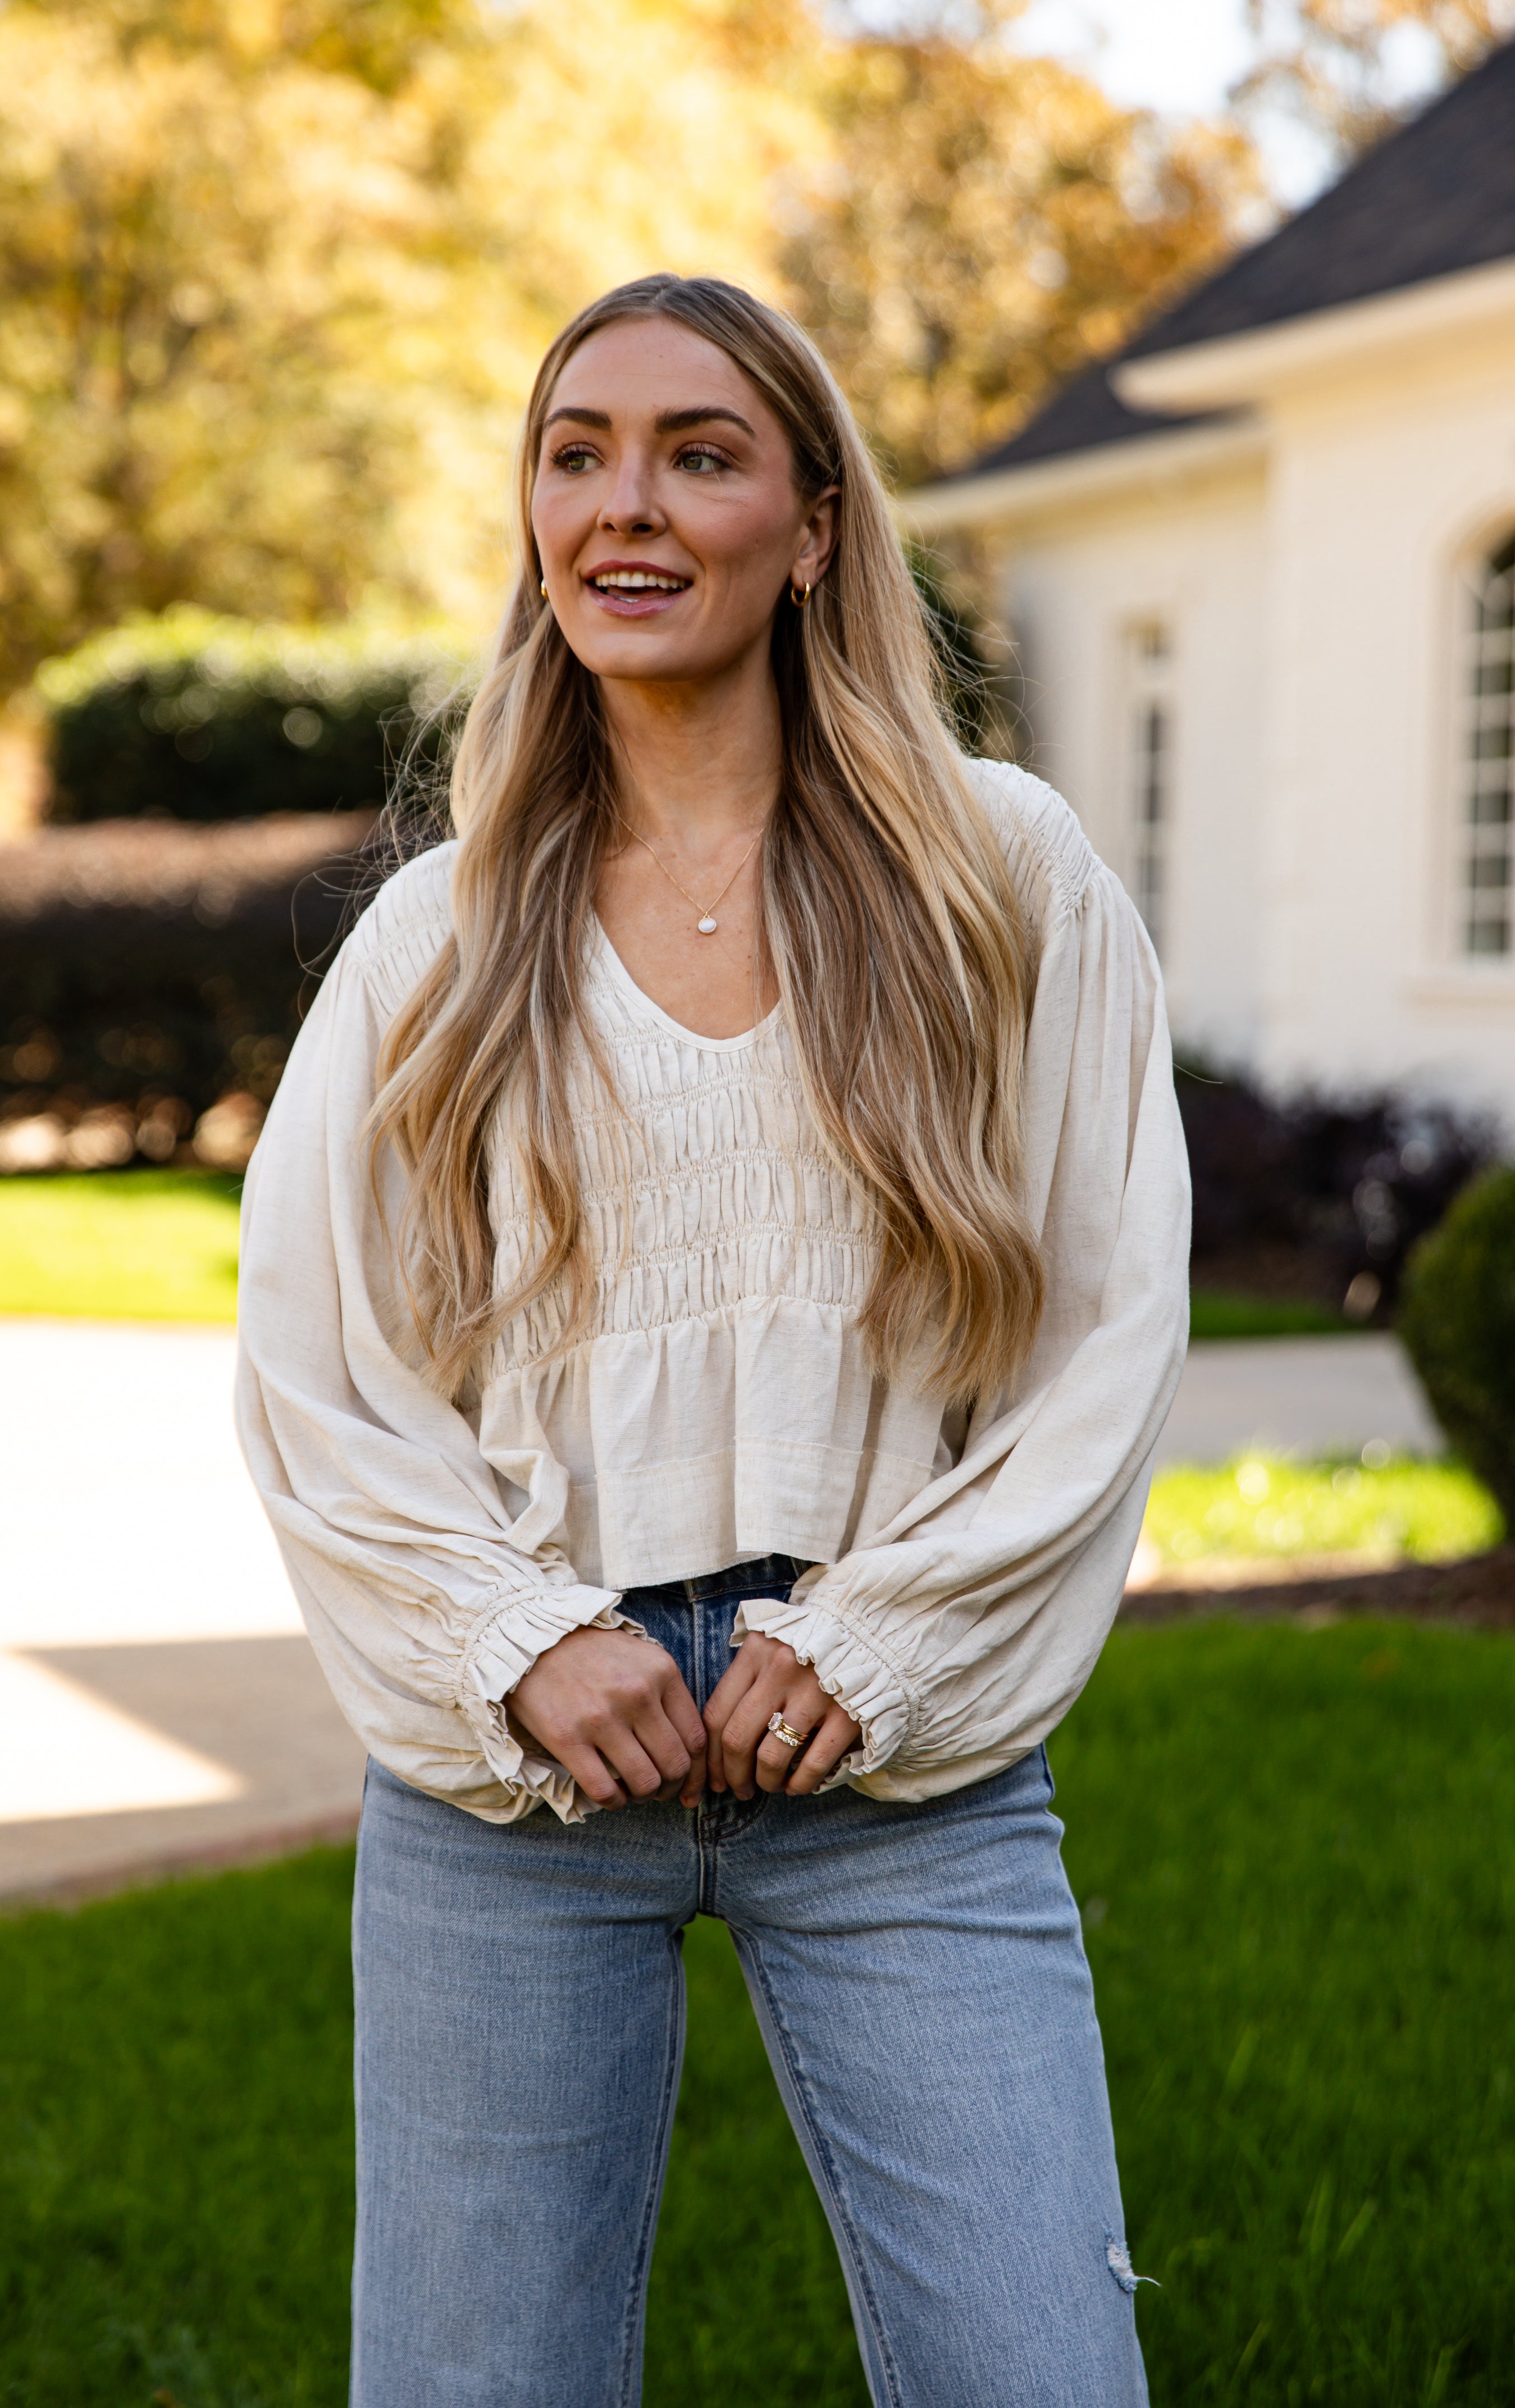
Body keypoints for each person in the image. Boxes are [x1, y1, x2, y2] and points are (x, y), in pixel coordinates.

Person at [236, 271, 1190, 2408]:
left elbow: (1109, 1332)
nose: (624, 506)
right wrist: (512, 1638)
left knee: (1043, 2374)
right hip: (518, 1777)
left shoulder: (997, 878)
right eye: (576, 454)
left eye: (699, 452)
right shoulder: (440, 932)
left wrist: (878, 1640)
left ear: (815, 522)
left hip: (897, 1763)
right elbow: (312, 1363)